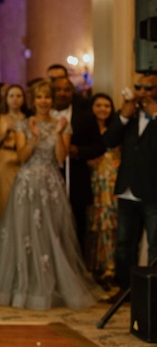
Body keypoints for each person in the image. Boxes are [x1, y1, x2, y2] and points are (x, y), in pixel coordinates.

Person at [0, 80, 96, 311]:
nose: (44, 101)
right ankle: (23, 286)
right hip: (27, 183)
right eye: (40, 97)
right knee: (24, 233)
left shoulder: (62, 124)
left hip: (51, 183)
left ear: (52, 100)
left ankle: (50, 286)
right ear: (34, 100)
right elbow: (22, 157)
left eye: (48, 97)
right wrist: (33, 137)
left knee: (52, 234)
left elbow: (61, 159)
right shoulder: (25, 123)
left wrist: (60, 133)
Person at [104, 73, 157, 295]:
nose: (142, 93)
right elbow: (108, 141)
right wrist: (124, 117)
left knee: (155, 243)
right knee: (125, 243)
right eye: (138, 87)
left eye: (148, 88)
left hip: (153, 191)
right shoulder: (129, 116)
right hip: (127, 188)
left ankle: (152, 292)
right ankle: (125, 289)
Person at [52, 77, 105, 255]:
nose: (62, 93)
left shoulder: (84, 115)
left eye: (66, 90)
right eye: (58, 89)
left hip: (75, 178)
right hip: (48, 176)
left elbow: (99, 146)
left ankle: (77, 264)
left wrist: (79, 151)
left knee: (77, 224)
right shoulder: (43, 114)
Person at [0, 84, 29, 246]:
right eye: (12, 96)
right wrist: (6, 133)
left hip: (22, 161)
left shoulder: (28, 118)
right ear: (6, 98)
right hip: (1, 161)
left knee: (20, 206)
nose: (15, 99)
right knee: (0, 205)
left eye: (19, 96)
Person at [86, 93, 120, 289]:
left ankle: (110, 266)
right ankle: (93, 266)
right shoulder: (88, 130)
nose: (102, 109)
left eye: (106, 105)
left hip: (111, 181)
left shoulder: (116, 129)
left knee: (110, 223)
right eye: (98, 105)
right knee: (94, 222)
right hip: (93, 180)